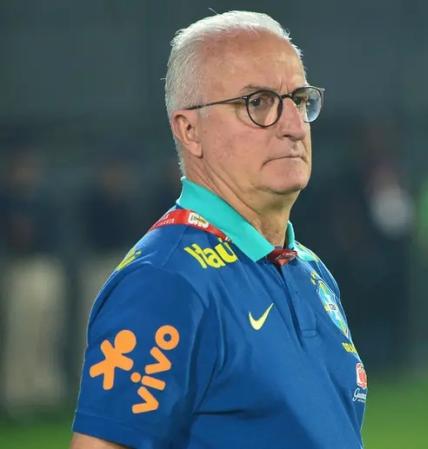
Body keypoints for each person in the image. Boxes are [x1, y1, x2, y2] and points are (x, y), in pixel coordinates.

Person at [70, 11, 367, 449]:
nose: (292, 126)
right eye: (258, 103)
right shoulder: (164, 282)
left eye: (299, 99)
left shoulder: (309, 270)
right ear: (190, 130)